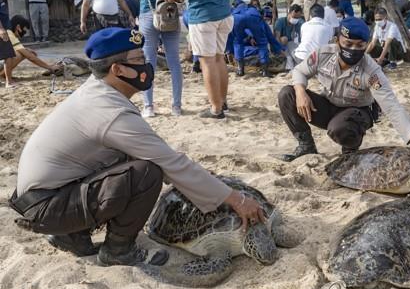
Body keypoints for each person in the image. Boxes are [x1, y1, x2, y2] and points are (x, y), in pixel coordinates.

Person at [9, 27, 266, 266]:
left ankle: (72, 235)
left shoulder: (97, 91)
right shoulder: (110, 113)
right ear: (118, 70)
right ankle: (118, 251)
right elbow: (171, 163)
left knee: (127, 158)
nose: (147, 66)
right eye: (139, 60)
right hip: (45, 206)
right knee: (147, 172)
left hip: (46, 198)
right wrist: (237, 199)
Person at [277, 17, 410, 163]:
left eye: (360, 45)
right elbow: (299, 71)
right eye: (348, 44)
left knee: (341, 127)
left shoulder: (372, 71)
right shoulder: (323, 54)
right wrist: (300, 91)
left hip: (357, 113)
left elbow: (392, 106)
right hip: (328, 106)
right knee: (287, 94)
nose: (353, 49)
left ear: (366, 45)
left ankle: (349, 152)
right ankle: (306, 146)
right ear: (337, 40)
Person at [166, 0, 233, 119]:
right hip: (224, 13)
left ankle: (216, 109)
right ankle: (222, 102)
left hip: (203, 16)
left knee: (207, 62)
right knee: (219, 58)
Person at [139, 0, 183, 117]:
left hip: (148, 11)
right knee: (174, 61)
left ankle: (148, 107)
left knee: (148, 60)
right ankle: (176, 106)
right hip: (169, 11)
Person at [0, 15, 60, 88]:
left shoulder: (9, 34)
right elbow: (30, 57)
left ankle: (4, 74)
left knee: (22, 52)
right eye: (24, 30)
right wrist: (50, 67)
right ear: (18, 27)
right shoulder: (9, 33)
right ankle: (3, 75)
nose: (24, 33)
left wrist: (26, 50)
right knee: (19, 54)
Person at [231, 3, 284, 77]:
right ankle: (264, 71)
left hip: (237, 17)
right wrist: (279, 49)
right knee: (262, 43)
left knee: (237, 42)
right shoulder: (255, 14)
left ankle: (240, 70)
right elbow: (270, 36)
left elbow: (230, 35)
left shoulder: (235, 10)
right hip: (253, 19)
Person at [275, 4, 304, 70]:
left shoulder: (298, 23)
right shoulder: (280, 22)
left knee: (292, 51)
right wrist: (280, 50)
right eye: (294, 17)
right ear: (289, 13)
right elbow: (277, 38)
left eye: (298, 18)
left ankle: (290, 66)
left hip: (291, 46)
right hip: (282, 46)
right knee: (285, 39)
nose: (296, 19)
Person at [0, 0, 16, 88]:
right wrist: (1, 29)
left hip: (4, 29)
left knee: (8, 55)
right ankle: (8, 82)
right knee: (8, 55)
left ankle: (9, 81)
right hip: (2, 31)